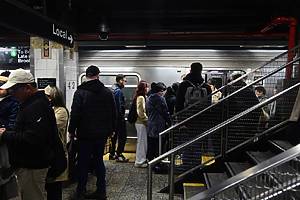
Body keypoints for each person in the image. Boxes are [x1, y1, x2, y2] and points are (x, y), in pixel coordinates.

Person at [0, 69, 58, 200]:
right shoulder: (31, 104)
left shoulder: (36, 107)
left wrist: (5, 135)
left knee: (33, 196)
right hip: (30, 164)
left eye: (14, 90)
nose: (12, 94)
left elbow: (33, 138)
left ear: (27, 88)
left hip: (33, 165)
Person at [68, 65, 116, 200]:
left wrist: (72, 130)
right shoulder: (107, 92)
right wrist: (111, 130)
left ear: (86, 76)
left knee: (83, 162)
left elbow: (75, 114)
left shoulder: (80, 92)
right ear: (98, 75)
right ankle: (101, 191)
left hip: (85, 134)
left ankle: (81, 191)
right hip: (101, 135)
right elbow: (113, 113)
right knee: (98, 161)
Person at [44, 85, 69, 200]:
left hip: (58, 152)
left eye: (48, 96)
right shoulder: (49, 109)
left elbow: (51, 127)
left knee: (55, 188)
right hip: (48, 152)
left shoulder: (61, 111)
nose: (46, 99)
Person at [0, 74, 19, 200]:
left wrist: (4, 130)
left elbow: (13, 124)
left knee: (5, 174)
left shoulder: (13, 103)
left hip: (5, 141)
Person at [146, 82, 171, 163]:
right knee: (158, 145)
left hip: (150, 124)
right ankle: (157, 162)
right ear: (160, 91)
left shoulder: (149, 98)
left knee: (151, 144)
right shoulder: (160, 99)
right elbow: (165, 112)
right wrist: (170, 122)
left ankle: (150, 160)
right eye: (163, 91)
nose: (164, 93)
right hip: (158, 125)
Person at [109, 74, 129, 162]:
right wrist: (121, 117)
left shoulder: (112, 89)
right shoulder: (118, 91)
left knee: (113, 137)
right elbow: (118, 107)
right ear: (120, 81)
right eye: (125, 81)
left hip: (112, 118)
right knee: (122, 136)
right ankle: (119, 154)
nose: (125, 83)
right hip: (118, 119)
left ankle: (112, 154)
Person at [134, 81, 149, 168]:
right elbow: (140, 112)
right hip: (141, 123)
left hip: (140, 123)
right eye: (146, 87)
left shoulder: (140, 97)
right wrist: (146, 120)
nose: (148, 89)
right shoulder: (141, 98)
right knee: (142, 142)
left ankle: (141, 159)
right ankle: (139, 161)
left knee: (142, 142)